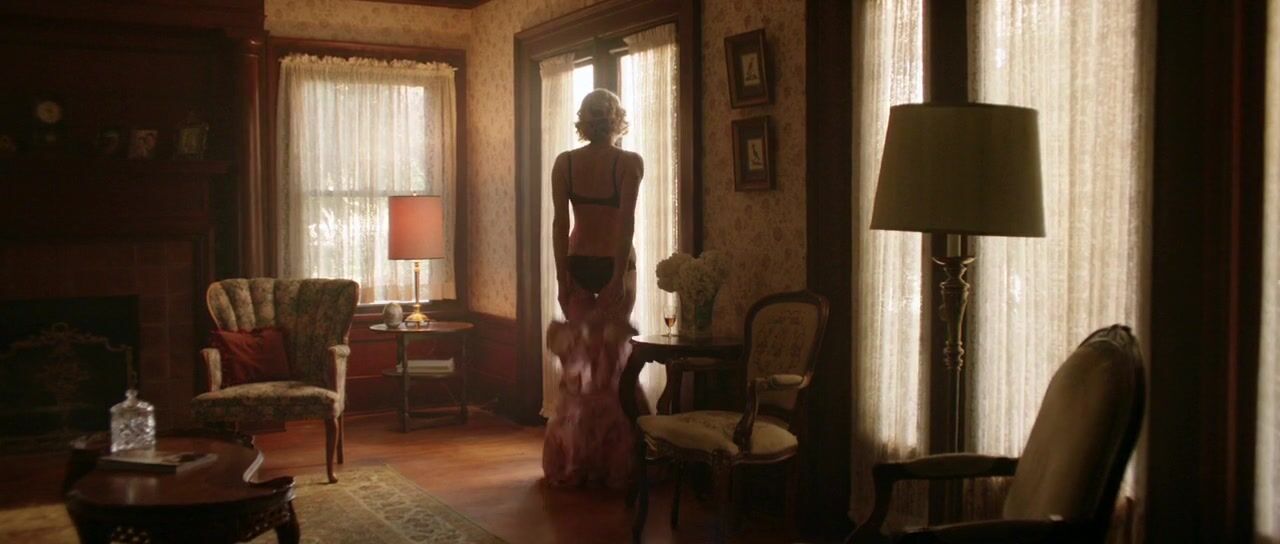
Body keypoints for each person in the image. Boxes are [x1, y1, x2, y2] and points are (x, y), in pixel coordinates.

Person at [542, 89, 644, 488]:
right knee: (613, 364)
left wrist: (560, 276)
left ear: (583, 122)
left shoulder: (566, 163)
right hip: (613, 263)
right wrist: (617, 276)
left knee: (580, 367)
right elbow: (625, 224)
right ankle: (613, 462)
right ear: (617, 120)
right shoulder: (628, 162)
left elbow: (559, 225)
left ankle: (576, 460)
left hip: (578, 263)